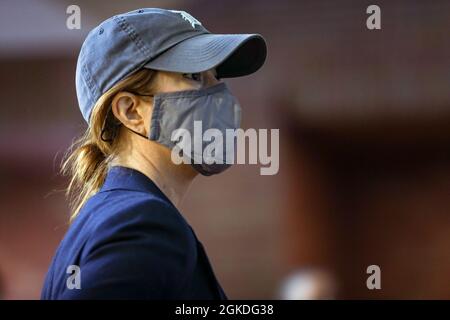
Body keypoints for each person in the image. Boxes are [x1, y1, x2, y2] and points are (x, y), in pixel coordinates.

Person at [41, 8, 266, 299]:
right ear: (131, 111)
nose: (220, 94)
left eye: (216, 76)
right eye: (194, 75)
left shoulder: (109, 218)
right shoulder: (143, 222)